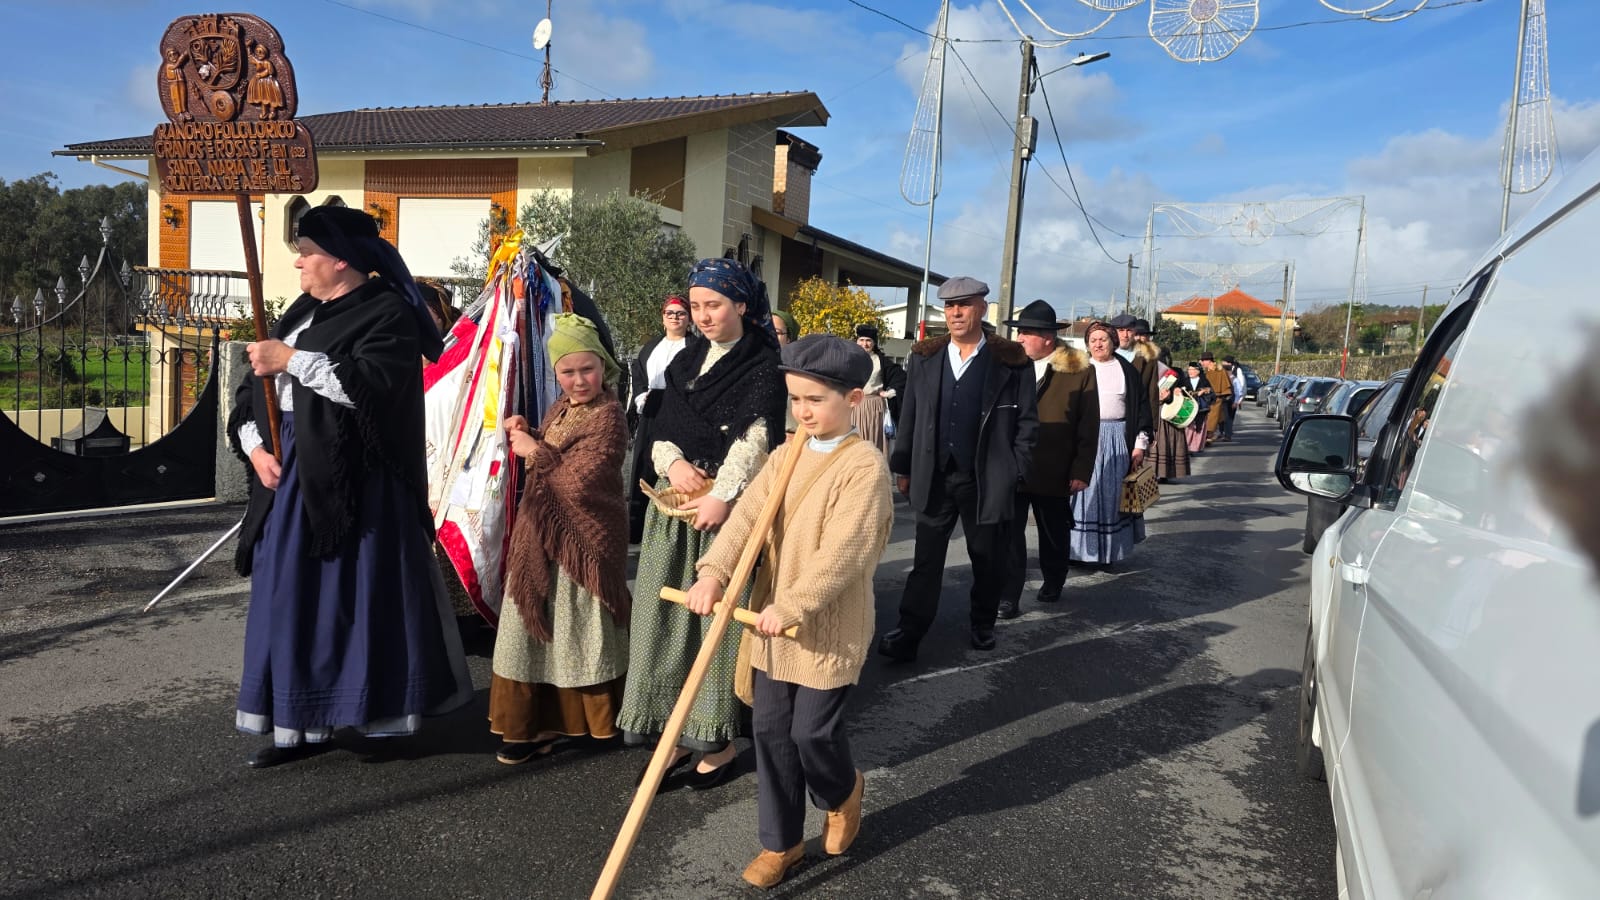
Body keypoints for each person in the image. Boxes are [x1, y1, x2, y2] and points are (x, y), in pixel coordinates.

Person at [228, 205, 472, 768]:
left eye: (307, 254)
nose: (299, 266)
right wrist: (256, 448)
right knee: (289, 598)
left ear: (341, 260)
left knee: (348, 601)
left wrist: (290, 360)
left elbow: (375, 391)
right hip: (288, 474)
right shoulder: (301, 312)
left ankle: (368, 710)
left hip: (354, 483)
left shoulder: (385, 312)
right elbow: (250, 390)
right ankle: (298, 724)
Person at [682, 334, 893, 889]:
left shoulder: (864, 467)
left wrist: (793, 603)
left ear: (853, 399)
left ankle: (843, 791)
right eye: (795, 400)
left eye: (814, 401)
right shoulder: (784, 455)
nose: (802, 412)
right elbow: (746, 521)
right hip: (771, 627)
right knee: (772, 730)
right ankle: (781, 844)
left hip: (826, 627)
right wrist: (713, 574)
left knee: (811, 735)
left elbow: (845, 553)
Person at [616, 257, 786, 789]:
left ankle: (717, 742)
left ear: (740, 304)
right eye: (695, 306)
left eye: (713, 305)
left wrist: (725, 497)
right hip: (673, 510)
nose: (703, 316)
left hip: (725, 517)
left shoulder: (763, 366)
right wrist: (674, 464)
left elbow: (755, 440)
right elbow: (660, 429)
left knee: (713, 628)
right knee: (661, 625)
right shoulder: (684, 362)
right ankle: (668, 734)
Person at [489, 314, 632, 764]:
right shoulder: (560, 409)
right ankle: (528, 725)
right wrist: (528, 432)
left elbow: (583, 482)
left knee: (575, 631)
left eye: (586, 369)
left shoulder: (609, 416)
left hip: (582, 542)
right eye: (567, 372)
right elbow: (556, 455)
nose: (577, 380)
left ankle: (585, 721)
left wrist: (535, 452)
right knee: (530, 632)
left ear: (603, 366)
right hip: (541, 536)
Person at [878, 276, 1037, 662]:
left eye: (964, 304)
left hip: (985, 478)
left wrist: (1015, 471)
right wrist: (903, 467)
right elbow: (911, 415)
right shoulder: (925, 356)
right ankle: (910, 629)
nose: (955, 313)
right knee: (926, 560)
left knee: (986, 557)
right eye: (949, 306)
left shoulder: (1011, 361)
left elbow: (1028, 424)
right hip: (934, 475)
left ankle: (982, 623)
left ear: (983, 308)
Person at [999, 300, 1097, 618]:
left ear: (1047, 338)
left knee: (1053, 531)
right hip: (1014, 466)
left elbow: (1088, 425)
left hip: (1055, 467)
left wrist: (1081, 469)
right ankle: (1008, 596)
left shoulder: (1080, 371)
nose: (1020, 339)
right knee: (1010, 535)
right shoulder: (1009, 366)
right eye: (1019, 332)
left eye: (1026, 333)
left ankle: (1053, 579)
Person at [1068, 321, 1153, 566]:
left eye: (1102, 339)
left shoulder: (1127, 370)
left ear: (1113, 342)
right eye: (1092, 340)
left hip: (1117, 437)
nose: (1097, 344)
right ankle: (1077, 552)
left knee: (1112, 496)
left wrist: (1139, 444)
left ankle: (1109, 552)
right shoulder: (1078, 369)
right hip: (1084, 438)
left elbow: (1141, 409)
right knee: (1082, 494)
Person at [627, 295, 692, 542]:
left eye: (680, 313)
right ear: (663, 318)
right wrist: (642, 398)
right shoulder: (650, 347)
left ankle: (668, 529)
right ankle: (637, 528)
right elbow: (639, 376)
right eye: (670, 313)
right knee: (644, 465)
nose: (675, 318)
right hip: (651, 409)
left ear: (688, 319)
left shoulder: (696, 348)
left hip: (680, 412)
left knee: (673, 465)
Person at [850, 323, 905, 457]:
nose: (865, 344)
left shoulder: (880, 361)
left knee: (873, 445)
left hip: (874, 409)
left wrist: (889, 392)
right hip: (853, 408)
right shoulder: (849, 359)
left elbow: (901, 378)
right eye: (861, 340)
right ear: (857, 341)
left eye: (869, 340)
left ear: (874, 343)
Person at [1150, 352, 1192, 482]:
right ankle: (1157, 473)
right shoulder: (1148, 373)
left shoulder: (1175, 373)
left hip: (1169, 412)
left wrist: (1176, 393)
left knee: (1164, 443)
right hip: (1156, 410)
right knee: (1162, 443)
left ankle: (1163, 473)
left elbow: (1186, 391)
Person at [1200, 352, 1232, 445]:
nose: (1202, 362)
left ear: (1208, 361)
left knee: (1212, 418)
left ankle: (1209, 436)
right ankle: (1207, 435)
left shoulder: (1220, 370)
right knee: (1207, 418)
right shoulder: (1207, 371)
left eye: (1203, 360)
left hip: (1216, 398)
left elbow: (1225, 384)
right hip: (1206, 397)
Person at [1185, 362, 1211, 454]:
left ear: (1198, 371)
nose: (1190, 372)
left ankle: (1195, 448)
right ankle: (1186, 446)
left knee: (1199, 427)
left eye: (1192, 370)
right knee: (1188, 427)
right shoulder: (1185, 380)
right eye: (1189, 370)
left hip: (1201, 408)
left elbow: (1211, 393)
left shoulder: (1204, 381)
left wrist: (1204, 391)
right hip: (1188, 407)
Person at [1221, 355, 1247, 441]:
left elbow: (1239, 389)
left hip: (1232, 399)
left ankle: (1227, 435)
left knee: (1229, 417)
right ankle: (1223, 433)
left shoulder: (1236, 375)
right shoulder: (1224, 375)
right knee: (1223, 417)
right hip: (1224, 399)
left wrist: (1237, 401)